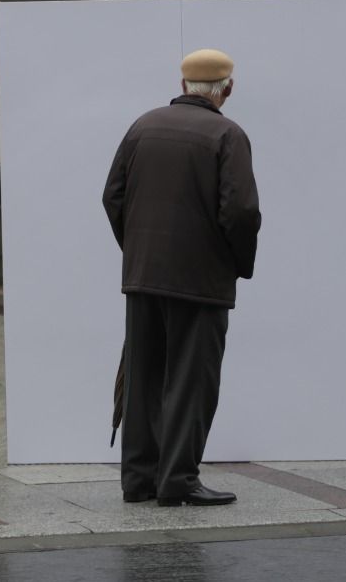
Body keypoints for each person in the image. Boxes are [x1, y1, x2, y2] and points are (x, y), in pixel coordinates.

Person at [102, 48, 262, 508]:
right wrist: (236, 263)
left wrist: (138, 251)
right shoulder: (228, 134)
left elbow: (112, 196)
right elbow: (242, 211)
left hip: (144, 275)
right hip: (200, 281)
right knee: (192, 382)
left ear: (183, 84)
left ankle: (138, 480)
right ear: (226, 89)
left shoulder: (143, 126)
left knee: (143, 376)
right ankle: (178, 480)